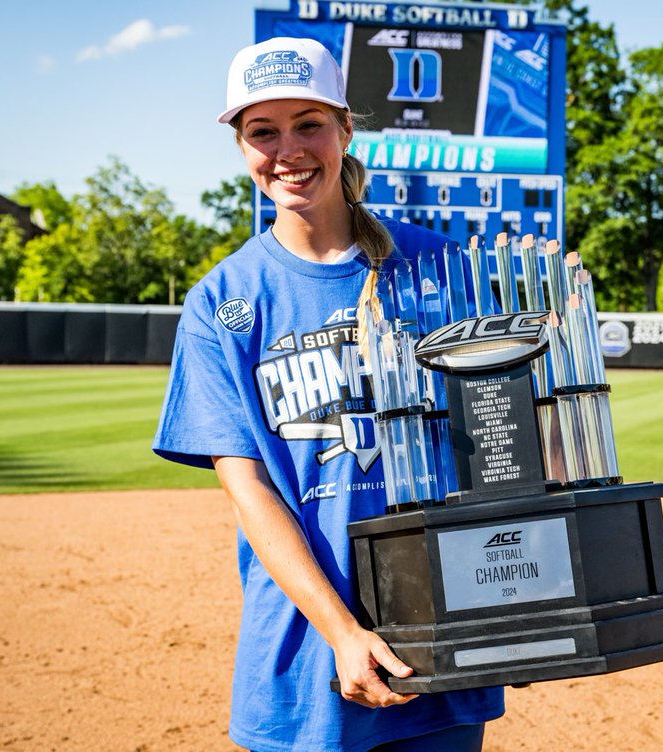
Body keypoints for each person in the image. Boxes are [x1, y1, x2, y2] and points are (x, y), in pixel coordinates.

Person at [152, 37, 504, 751]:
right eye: (263, 131)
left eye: (308, 124)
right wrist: (345, 634)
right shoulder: (222, 301)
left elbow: (495, 448)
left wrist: (523, 611)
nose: (288, 150)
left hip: (443, 639)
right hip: (304, 656)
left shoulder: (439, 267)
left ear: (346, 129)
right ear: (240, 146)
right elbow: (249, 490)